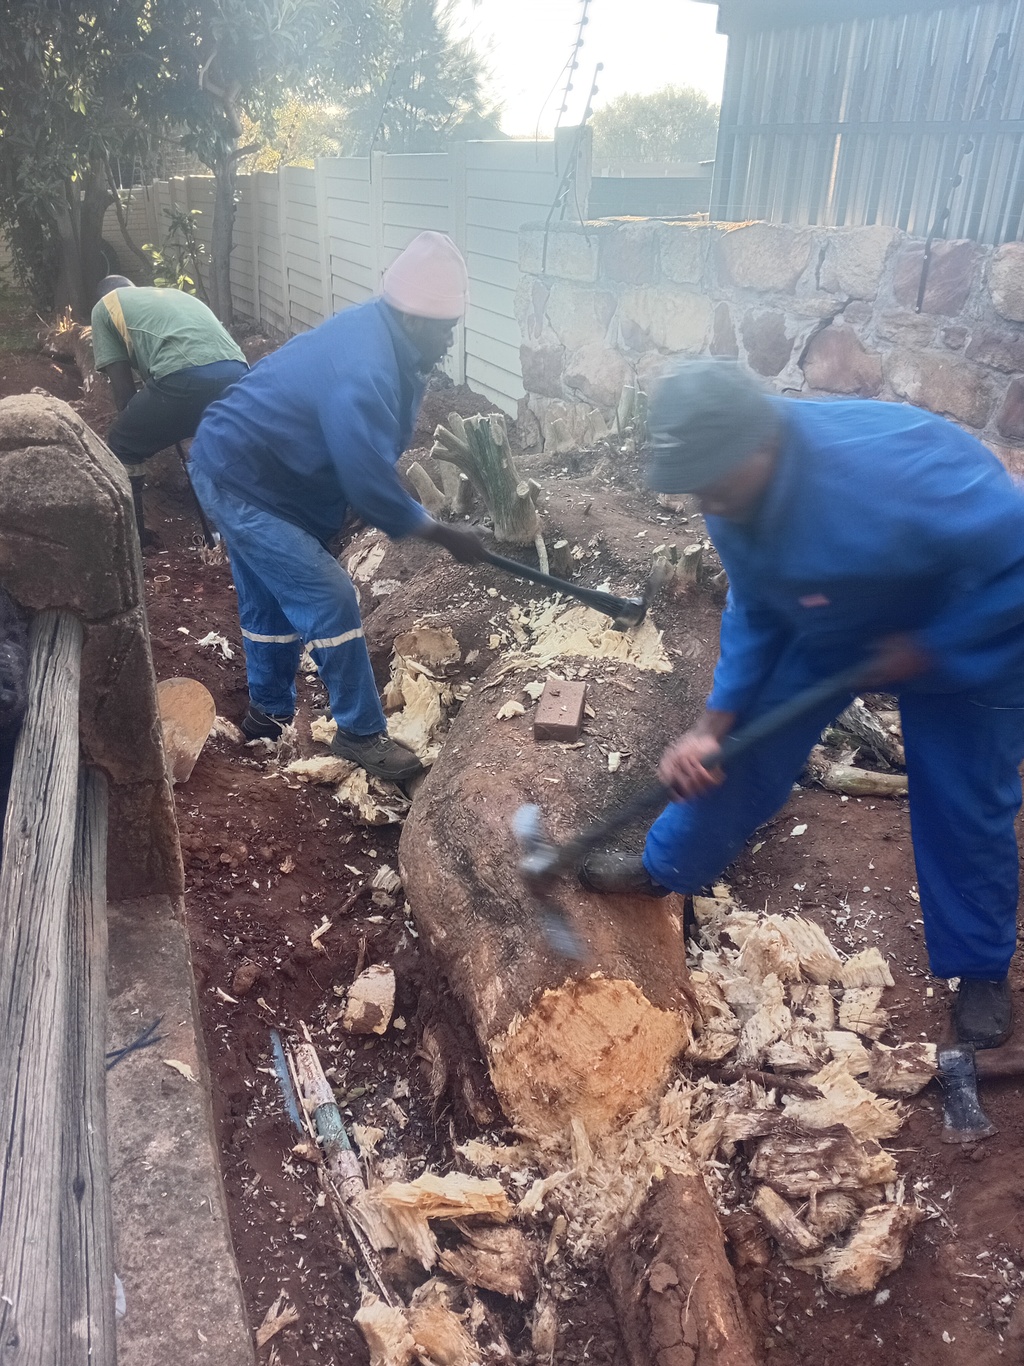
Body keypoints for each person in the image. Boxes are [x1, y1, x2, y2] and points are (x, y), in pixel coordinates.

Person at [581, 358, 1024, 1050]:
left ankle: (979, 970)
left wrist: (937, 643)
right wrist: (711, 727)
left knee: (965, 803)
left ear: (760, 445)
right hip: (834, 618)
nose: (707, 504)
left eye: (714, 485)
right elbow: (756, 609)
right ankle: (666, 867)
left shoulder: (896, 469)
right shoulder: (729, 493)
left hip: (975, 623)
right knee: (739, 748)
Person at [188, 230, 487, 784]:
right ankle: (359, 731)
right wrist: (442, 533)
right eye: (446, 329)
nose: (449, 341)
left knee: (271, 601)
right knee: (328, 594)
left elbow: (367, 451)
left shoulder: (389, 343)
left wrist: (354, 500)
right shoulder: (365, 365)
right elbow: (369, 477)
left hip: (258, 471)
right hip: (240, 475)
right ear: (418, 319)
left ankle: (268, 714)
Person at [91, 276, 249, 545]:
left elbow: (124, 395)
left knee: (123, 441)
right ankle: (235, 532)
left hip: (183, 374)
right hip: (237, 372)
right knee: (214, 444)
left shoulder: (104, 307)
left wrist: (155, 420)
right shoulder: (170, 296)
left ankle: (137, 539)